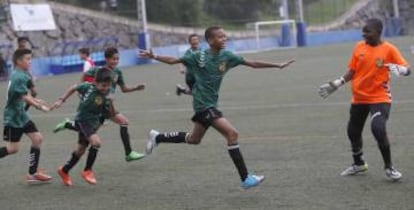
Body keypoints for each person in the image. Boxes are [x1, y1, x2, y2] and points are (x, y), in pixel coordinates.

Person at [139, 26, 295, 189]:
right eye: (220, 37)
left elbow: (253, 63)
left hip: (211, 103)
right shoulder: (198, 56)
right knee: (232, 134)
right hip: (203, 104)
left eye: (225, 36)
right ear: (211, 41)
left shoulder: (227, 56)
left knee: (194, 139)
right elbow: (174, 61)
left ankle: (157, 137)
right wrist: (154, 56)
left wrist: (277, 65)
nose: (224, 39)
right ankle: (246, 178)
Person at [318, 18, 410, 181]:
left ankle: (389, 167)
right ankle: (359, 164)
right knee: (352, 131)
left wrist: (402, 70)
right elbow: (352, 71)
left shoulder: (389, 49)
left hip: (379, 97)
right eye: (363, 31)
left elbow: (407, 69)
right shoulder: (359, 47)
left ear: (378, 32)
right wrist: (338, 83)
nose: (364, 34)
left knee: (378, 129)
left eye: (368, 31)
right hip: (359, 97)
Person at [54, 47, 146, 162]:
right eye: (113, 59)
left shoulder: (118, 72)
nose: (116, 61)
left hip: (108, 104)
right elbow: (84, 75)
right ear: (106, 59)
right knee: (115, 125)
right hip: (98, 105)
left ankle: (67, 124)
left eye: (117, 59)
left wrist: (136, 88)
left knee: (115, 125)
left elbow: (124, 89)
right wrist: (84, 89)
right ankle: (128, 153)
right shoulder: (98, 70)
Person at [53, 68, 114, 186]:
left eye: (108, 85)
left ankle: (64, 170)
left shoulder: (109, 92)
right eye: (103, 85)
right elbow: (73, 87)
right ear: (95, 82)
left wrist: (110, 103)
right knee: (96, 142)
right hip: (83, 119)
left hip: (93, 122)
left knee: (80, 150)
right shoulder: (88, 87)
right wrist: (61, 100)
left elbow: (109, 112)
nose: (105, 88)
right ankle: (87, 171)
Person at [0, 49, 52, 184]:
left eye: (30, 59)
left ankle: (33, 174)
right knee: (13, 149)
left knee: (37, 138)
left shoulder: (21, 74)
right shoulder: (19, 76)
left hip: (21, 115)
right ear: (18, 61)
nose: (30, 62)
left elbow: (23, 94)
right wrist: (39, 107)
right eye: (27, 59)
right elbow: (24, 96)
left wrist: (37, 100)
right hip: (13, 117)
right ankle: (32, 174)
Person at [17, 37, 37, 111]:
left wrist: (31, 75)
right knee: (22, 94)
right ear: (18, 43)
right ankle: (20, 110)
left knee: (34, 93)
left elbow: (27, 65)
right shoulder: (17, 53)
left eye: (25, 42)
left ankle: (24, 110)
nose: (24, 44)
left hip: (26, 75)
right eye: (23, 42)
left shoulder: (26, 52)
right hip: (20, 75)